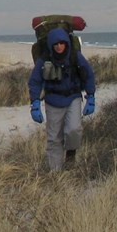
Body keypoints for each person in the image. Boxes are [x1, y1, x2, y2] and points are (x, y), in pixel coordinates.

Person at [28, 27, 97, 171]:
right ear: (51, 45)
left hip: (73, 98)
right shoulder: (45, 59)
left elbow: (88, 73)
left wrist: (90, 96)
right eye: (56, 44)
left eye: (62, 43)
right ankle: (55, 172)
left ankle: (71, 153)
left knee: (74, 129)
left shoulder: (74, 56)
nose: (59, 47)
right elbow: (35, 81)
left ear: (66, 43)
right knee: (54, 138)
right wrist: (35, 103)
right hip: (52, 100)